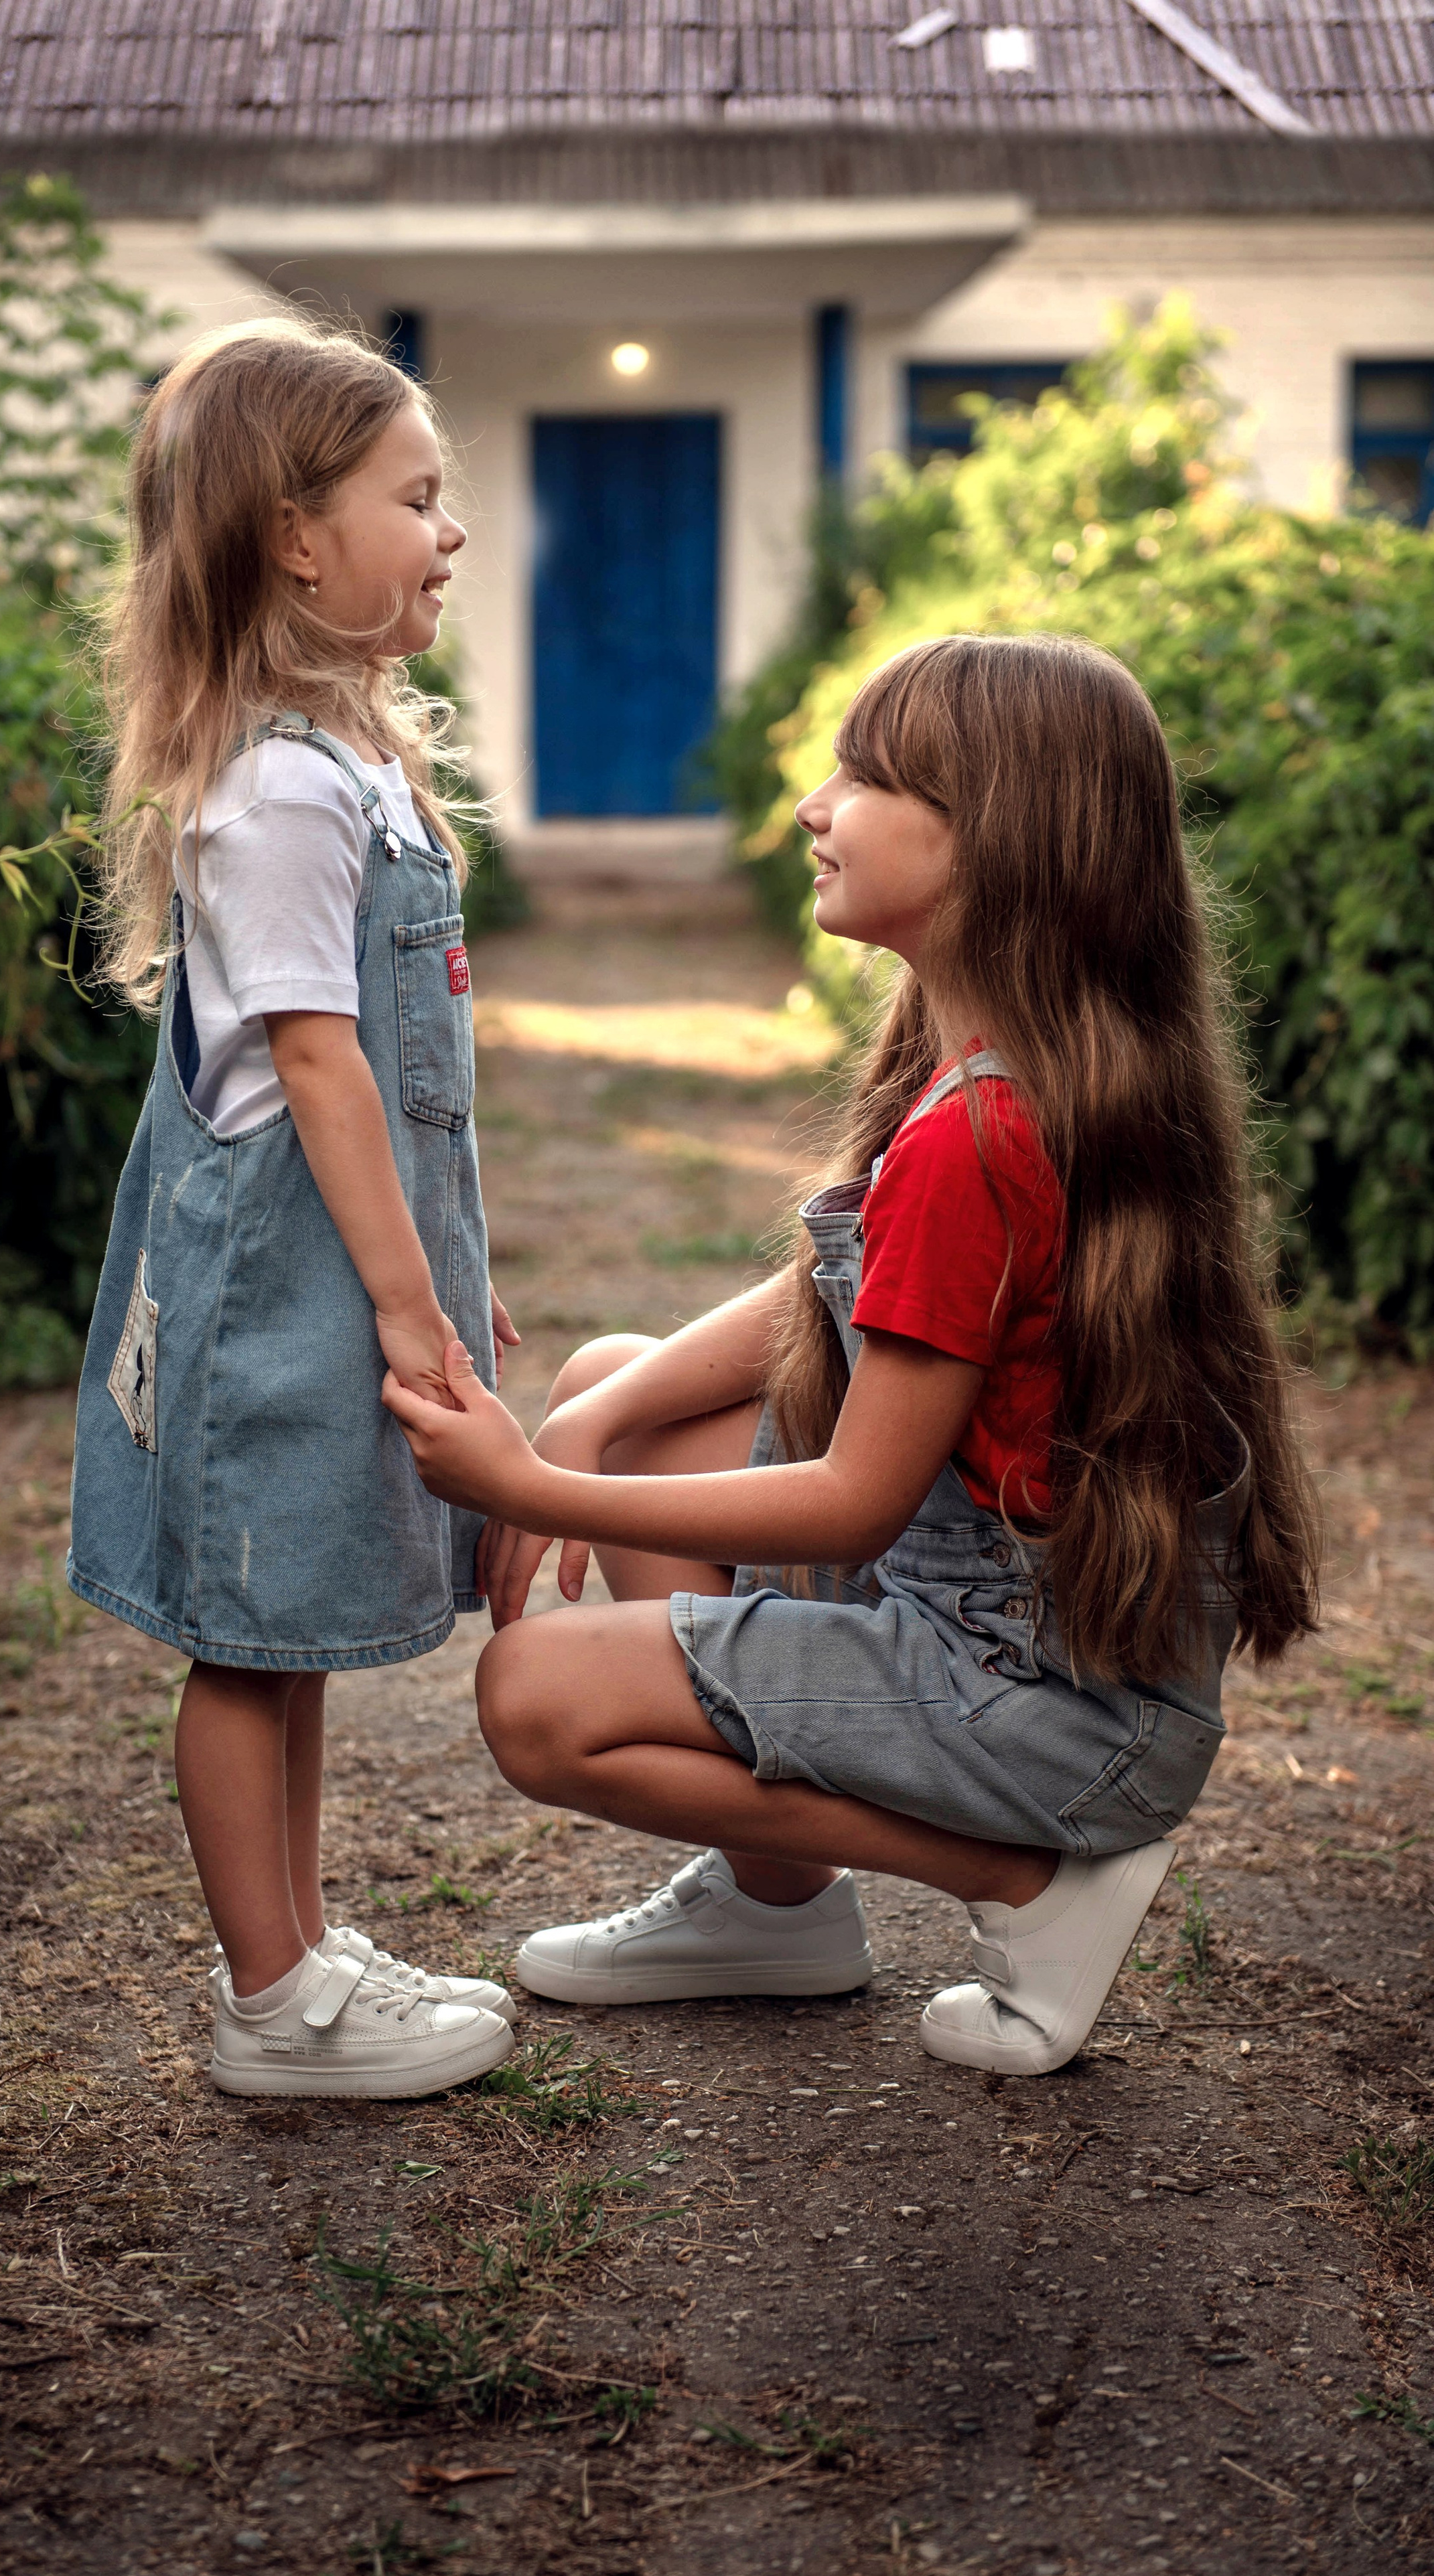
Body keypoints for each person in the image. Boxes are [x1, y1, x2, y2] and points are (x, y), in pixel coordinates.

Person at [383, 632, 1321, 2076]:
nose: (813, 808)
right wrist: (586, 1421)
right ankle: (776, 1916)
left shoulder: (979, 1136)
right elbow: (835, 1311)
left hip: (1035, 1687)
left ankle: (1031, 1886)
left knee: (534, 1700)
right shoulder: (1005, 1062)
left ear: (988, 842)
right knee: (612, 1389)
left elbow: (849, 1499)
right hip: (1037, 1632)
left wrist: (530, 1485)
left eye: (864, 777)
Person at [68, 315, 517, 2099]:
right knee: (247, 1643)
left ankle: (303, 1948)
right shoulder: (272, 795)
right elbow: (324, 1073)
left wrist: (449, 1280)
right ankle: (271, 2003)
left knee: (297, 1627)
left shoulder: (351, 775)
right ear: (293, 535)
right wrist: (408, 1310)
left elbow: (413, 1107)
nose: (449, 531)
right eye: (415, 496)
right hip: (281, 1292)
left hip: (354, 1271)